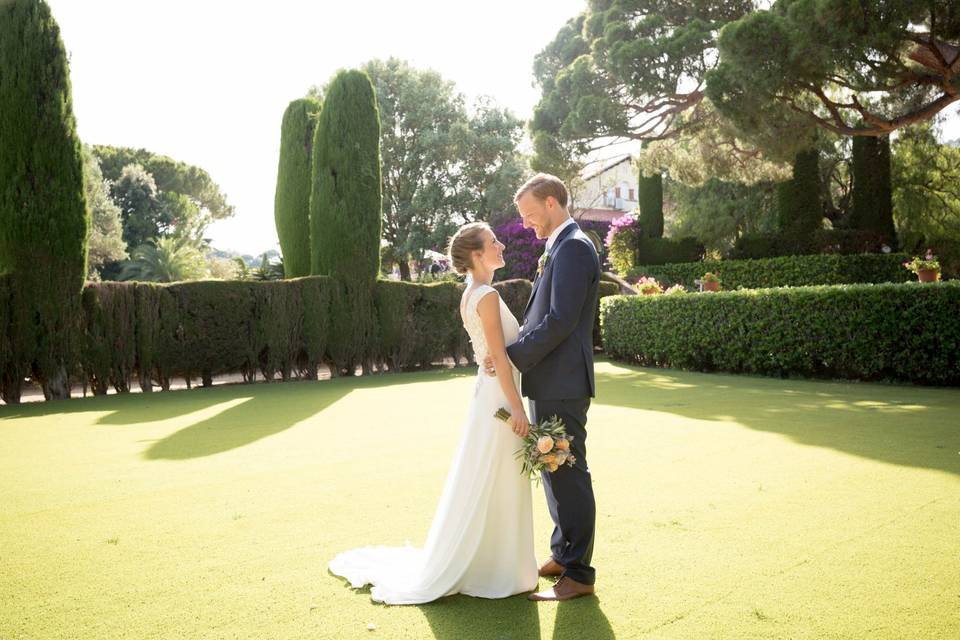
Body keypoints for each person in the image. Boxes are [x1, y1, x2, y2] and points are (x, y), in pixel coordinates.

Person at [327, 221, 538, 605]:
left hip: (487, 394)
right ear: (477, 254)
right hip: (500, 399)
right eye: (494, 242)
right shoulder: (486, 295)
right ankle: (497, 568)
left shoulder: (470, 293)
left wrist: (497, 366)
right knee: (498, 477)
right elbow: (501, 360)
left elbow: (490, 355)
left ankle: (497, 563)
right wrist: (518, 408)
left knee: (491, 477)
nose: (502, 245)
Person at [484, 173, 601, 602]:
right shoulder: (559, 245)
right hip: (550, 379)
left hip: (563, 382)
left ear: (552, 203)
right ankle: (562, 554)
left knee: (568, 474)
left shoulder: (572, 247)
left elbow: (559, 321)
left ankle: (579, 573)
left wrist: (509, 356)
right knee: (552, 470)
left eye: (531, 214)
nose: (528, 223)